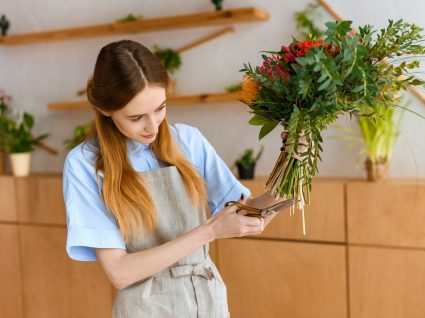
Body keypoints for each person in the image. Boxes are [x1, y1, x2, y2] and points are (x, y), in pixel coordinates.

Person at [63, 39, 288, 317]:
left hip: (207, 301)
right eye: (136, 117)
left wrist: (290, 170)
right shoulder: (84, 163)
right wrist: (208, 232)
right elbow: (120, 272)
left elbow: (250, 216)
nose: (152, 125)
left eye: (160, 108)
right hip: (145, 308)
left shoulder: (188, 140)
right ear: (106, 109)